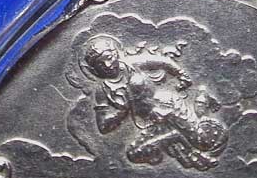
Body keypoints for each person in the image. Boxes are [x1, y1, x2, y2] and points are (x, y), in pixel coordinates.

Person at [79, 35, 228, 170]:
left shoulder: (131, 64)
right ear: (94, 69)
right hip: (150, 122)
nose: (107, 64)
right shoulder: (102, 90)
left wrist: (182, 75)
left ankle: (202, 98)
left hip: (169, 106)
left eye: (108, 57)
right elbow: (103, 127)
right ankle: (174, 138)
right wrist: (121, 112)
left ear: (115, 53)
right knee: (134, 153)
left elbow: (163, 61)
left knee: (202, 142)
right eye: (100, 64)